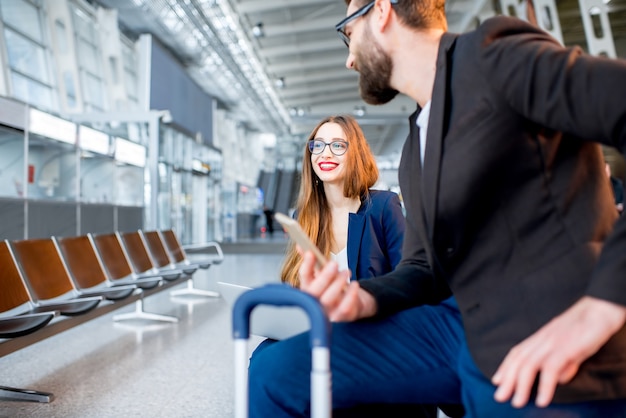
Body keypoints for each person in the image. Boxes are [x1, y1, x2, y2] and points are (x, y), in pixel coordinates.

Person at [248, 0, 626, 417]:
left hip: (542, 325)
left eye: (347, 32)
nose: (349, 59)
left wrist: (603, 305)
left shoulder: (494, 56)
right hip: (457, 327)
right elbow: (424, 266)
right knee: (275, 370)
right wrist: (363, 298)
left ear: (381, 12)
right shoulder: (418, 141)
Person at [255, 114, 442, 417]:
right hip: (324, 325)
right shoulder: (307, 216)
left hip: (374, 328)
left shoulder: (383, 206)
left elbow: (411, 281)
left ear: (355, 153)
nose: (325, 153)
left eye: (338, 145)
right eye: (318, 145)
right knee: (265, 354)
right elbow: (299, 282)